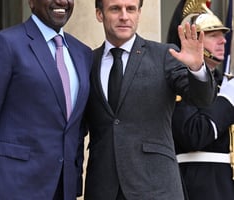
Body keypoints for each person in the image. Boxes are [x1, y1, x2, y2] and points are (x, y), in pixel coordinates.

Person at [84, 0, 217, 199]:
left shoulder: (164, 55)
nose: (124, 16)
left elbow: (202, 99)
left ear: (139, 13)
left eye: (130, 9)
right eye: (115, 9)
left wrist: (196, 69)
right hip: (102, 187)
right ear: (99, 14)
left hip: (156, 187)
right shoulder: (87, 61)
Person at [0, 0, 92, 199]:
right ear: (31, 2)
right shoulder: (5, 44)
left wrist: (74, 182)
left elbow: (77, 126)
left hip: (62, 189)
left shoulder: (82, 53)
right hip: (12, 186)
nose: (62, 1)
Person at [169, 1, 234, 199]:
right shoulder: (179, 82)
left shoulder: (224, 84)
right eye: (213, 35)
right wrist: (226, 102)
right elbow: (193, 134)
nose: (223, 41)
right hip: (201, 186)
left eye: (222, 34)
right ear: (192, 39)